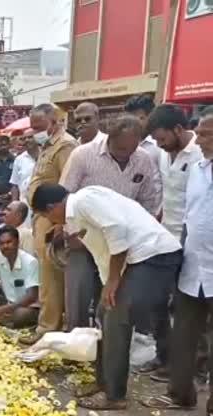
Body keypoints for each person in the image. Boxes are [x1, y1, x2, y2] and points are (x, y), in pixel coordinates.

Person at [32, 184, 182, 410]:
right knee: (105, 312)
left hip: (154, 255)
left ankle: (114, 395)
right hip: (137, 261)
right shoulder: (77, 216)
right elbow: (103, 253)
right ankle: (103, 383)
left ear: (53, 207)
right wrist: (108, 286)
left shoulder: (84, 200)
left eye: (46, 215)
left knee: (116, 316)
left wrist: (113, 282)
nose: (52, 221)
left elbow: (117, 229)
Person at [140, 108, 213, 416]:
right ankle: (180, 394)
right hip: (191, 264)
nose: (204, 140)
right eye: (202, 133)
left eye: (210, 134)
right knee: (183, 333)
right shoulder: (198, 169)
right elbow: (189, 215)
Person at [60, 115, 163, 331]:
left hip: (122, 242)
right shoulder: (83, 154)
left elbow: (149, 201)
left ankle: (104, 345)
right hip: (84, 237)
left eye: (132, 148)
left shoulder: (143, 158)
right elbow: (65, 195)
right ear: (110, 138)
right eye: (121, 148)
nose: (127, 153)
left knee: (112, 295)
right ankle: (75, 343)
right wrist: (72, 234)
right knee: (78, 293)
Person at [24, 103, 77, 344]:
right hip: (41, 217)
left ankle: (49, 329)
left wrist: (59, 225)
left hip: (53, 218)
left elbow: (67, 184)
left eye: (39, 126)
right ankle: (49, 325)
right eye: (33, 127)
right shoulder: (46, 146)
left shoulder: (65, 145)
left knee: (52, 277)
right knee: (47, 275)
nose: (35, 131)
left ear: (54, 122)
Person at [148, 104, 203, 240]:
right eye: (156, 140)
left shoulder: (201, 153)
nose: (159, 145)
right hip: (166, 234)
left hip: (191, 238)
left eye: (162, 139)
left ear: (178, 129)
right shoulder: (163, 152)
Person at [0, 226, 40, 328]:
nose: (5, 246)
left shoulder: (30, 262)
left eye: (8, 242)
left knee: (20, 315)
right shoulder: (0, 257)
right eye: (2, 244)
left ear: (17, 242)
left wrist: (1, 310)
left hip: (27, 307)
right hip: (8, 303)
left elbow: (31, 297)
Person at [124, 94, 161, 165]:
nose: (132, 123)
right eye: (129, 119)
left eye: (140, 118)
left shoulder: (159, 145)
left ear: (150, 117)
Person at [10, 132, 38, 203]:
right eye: (24, 139)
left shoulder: (45, 155)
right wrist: (14, 203)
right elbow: (14, 184)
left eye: (30, 137)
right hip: (25, 203)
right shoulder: (19, 159)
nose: (27, 140)